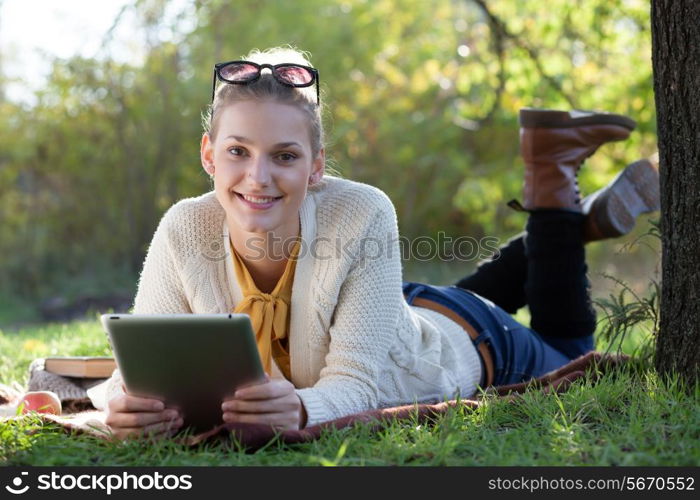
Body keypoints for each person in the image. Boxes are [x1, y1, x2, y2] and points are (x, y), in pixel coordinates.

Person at [102, 47, 659, 439]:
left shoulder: (362, 211)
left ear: (317, 166)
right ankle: (572, 221)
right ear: (208, 154)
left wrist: (297, 408)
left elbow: (357, 385)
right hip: (395, 315)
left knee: (569, 346)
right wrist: (129, 408)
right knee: (454, 298)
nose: (258, 177)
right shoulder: (184, 227)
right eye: (238, 152)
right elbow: (136, 372)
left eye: (286, 156)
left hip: (470, 343)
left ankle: (551, 170)